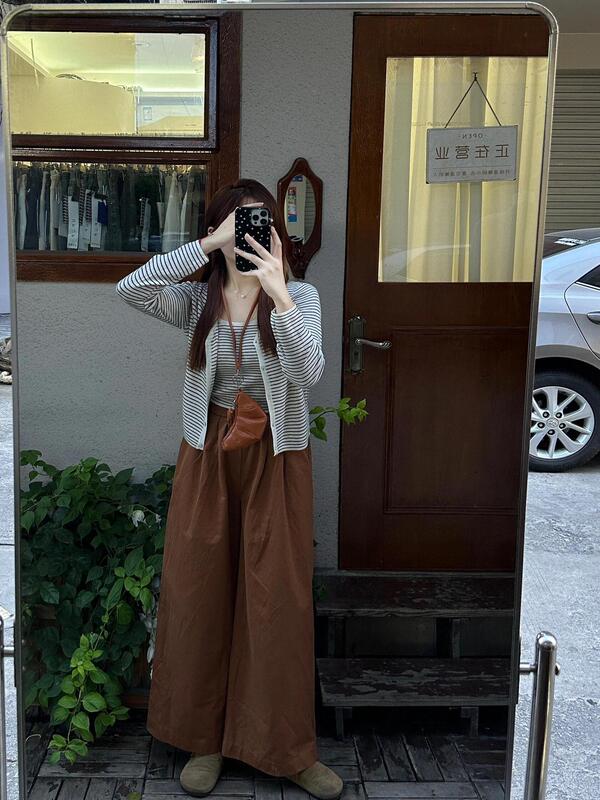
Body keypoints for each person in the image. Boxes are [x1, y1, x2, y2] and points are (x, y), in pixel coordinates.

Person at [115, 179, 343, 799]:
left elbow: (310, 372)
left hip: (278, 455)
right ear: (218, 228)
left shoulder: (301, 296)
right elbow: (131, 287)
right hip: (208, 454)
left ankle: (287, 749)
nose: (249, 232)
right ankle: (204, 741)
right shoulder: (199, 300)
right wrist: (208, 248)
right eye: (237, 223)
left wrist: (279, 291)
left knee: (278, 600)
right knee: (200, 591)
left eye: (260, 220)